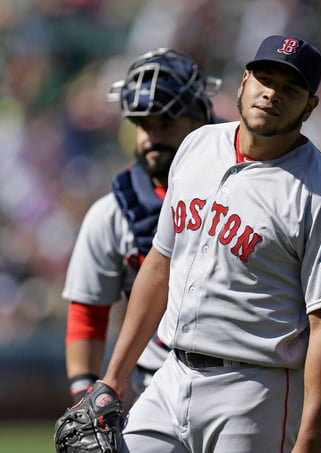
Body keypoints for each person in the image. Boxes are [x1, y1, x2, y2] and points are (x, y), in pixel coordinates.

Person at [103, 34, 321, 452]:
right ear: (244, 81)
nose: (271, 94)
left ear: (310, 106)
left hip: (255, 391)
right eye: (264, 78)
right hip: (170, 375)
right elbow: (158, 265)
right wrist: (113, 378)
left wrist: (312, 436)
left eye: (290, 88)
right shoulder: (197, 145)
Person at [62, 48, 222, 405]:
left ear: (200, 123)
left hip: (241, 381)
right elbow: (88, 312)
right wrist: (83, 393)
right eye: (142, 124)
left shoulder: (246, 196)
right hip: (154, 390)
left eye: (165, 123)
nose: (151, 136)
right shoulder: (112, 214)